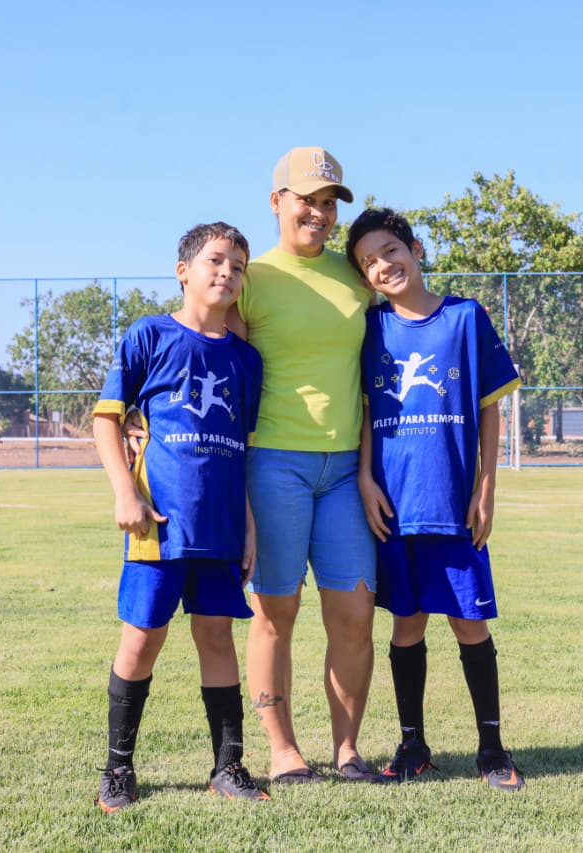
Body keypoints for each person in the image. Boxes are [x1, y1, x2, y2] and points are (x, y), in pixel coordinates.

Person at [346, 207, 526, 790]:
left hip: (452, 501)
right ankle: (412, 746)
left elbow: (491, 406)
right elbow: (368, 411)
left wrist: (487, 485)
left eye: (390, 251)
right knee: (406, 625)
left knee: (469, 624)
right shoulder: (371, 329)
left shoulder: (465, 318)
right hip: (394, 506)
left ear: (415, 249)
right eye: (369, 262)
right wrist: (366, 478)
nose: (383, 265)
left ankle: (493, 749)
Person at [92, 222, 269, 812]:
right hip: (158, 525)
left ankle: (228, 765)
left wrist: (246, 522)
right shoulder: (149, 336)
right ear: (184, 271)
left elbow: (241, 447)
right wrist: (125, 492)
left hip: (219, 526)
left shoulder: (246, 361)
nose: (227, 273)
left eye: (238, 266)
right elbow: (106, 419)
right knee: (141, 639)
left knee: (217, 636)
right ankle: (118, 768)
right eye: (216, 261)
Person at [224, 147, 378, 783]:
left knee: (355, 614)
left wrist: (368, 468)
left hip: (345, 469)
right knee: (274, 613)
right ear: (276, 201)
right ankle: (282, 751)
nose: (318, 212)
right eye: (306, 199)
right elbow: (216, 368)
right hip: (273, 464)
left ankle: (347, 750)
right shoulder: (251, 277)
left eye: (329, 202)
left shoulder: (357, 277)